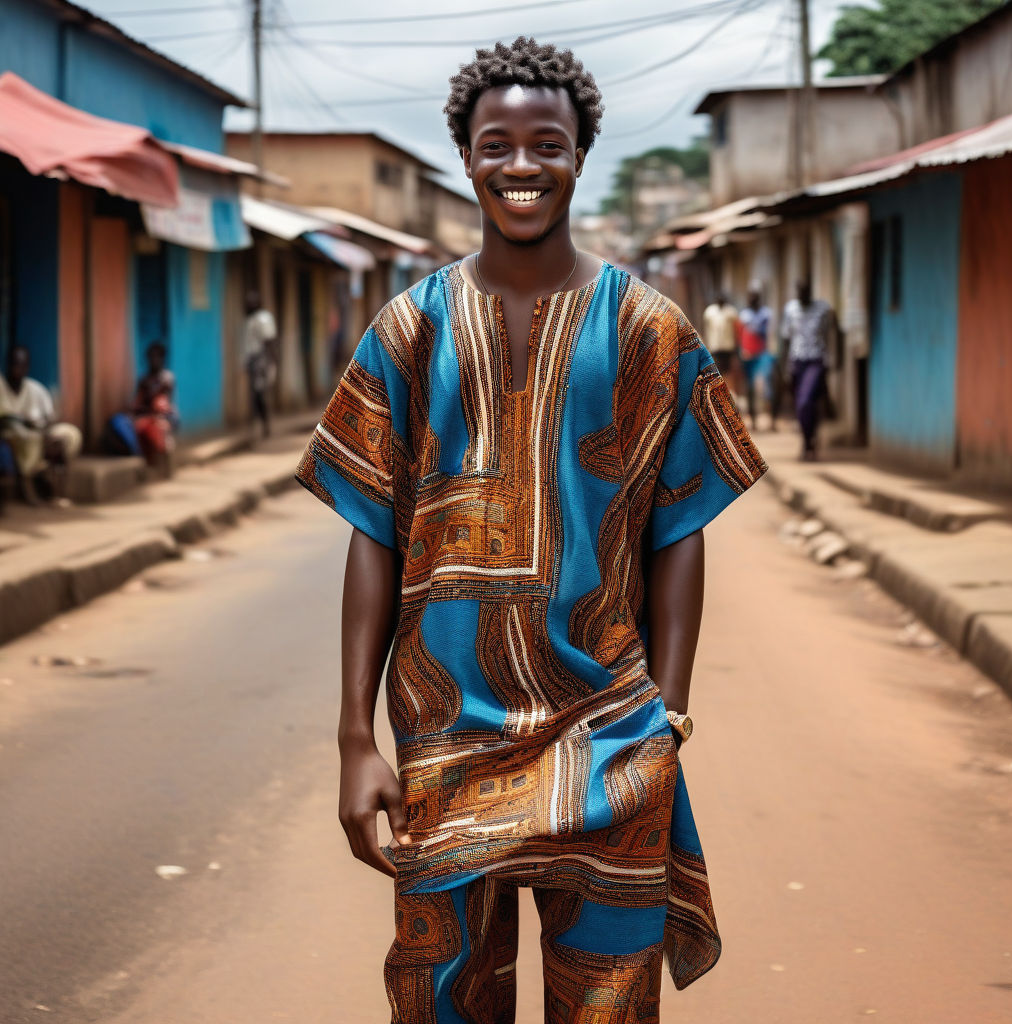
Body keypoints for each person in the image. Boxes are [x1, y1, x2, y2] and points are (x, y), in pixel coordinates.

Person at [295, 36, 767, 1022]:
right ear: (464, 157)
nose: (521, 165)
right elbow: (373, 535)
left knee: (608, 1000)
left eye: (545, 144)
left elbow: (680, 524)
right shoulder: (407, 329)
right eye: (496, 143)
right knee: (444, 1000)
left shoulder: (649, 328)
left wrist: (667, 715)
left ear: (579, 155)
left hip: (607, 737)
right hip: (442, 737)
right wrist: (354, 734)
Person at [0, 345, 82, 504]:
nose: (18, 369)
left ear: (27, 367)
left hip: (37, 435)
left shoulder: (35, 389)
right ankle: (28, 488)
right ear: (8, 364)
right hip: (12, 437)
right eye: (14, 364)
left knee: (64, 437)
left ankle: (56, 493)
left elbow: (49, 418)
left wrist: (42, 429)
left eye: (22, 365)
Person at [781, 281, 835, 460]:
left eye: (806, 291)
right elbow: (786, 338)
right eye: (800, 292)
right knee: (802, 404)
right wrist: (784, 367)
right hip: (797, 361)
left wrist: (836, 359)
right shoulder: (791, 310)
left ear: (810, 292)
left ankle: (810, 439)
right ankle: (807, 440)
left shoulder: (823, 309)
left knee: (806, 400)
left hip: (816, 360)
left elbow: (834, 332)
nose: (802, 295)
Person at [132, 341, 178, 473]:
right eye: (151, 357)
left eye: (157, 356)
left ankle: (165, 460)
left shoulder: (167, 379)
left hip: (166, 415)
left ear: (162, 358)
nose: (154, 360)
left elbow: (163, 402)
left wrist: (158, 410)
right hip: (147, 415)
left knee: (161, 425)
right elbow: (137, 403)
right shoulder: (144, 380)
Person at [736, 285, 775, 431]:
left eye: (755, 296)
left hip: (763, 355)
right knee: (750, 388)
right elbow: (740, 335)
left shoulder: (766, 314)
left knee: (766, 387)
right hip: (747, 356)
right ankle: (753, 421)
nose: (752, 299)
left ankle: (772, 420)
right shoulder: (744, 314)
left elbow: (768, 332)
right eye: (750, 296)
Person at [243, 291, 277, 439]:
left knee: (259, 393)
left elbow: (269, 340)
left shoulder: (262, 319)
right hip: (253, 360)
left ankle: (264, 425)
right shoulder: (250, 320)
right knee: (255, 394)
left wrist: (271, 361)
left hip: (260, 360)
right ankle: (258, 427)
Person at [701, 291, 738, 381]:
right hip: (715, 347)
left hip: (728, 347)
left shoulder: (731, 312)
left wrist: (737, 345)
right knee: (716, 371)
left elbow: (736, 328)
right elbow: (705, 328)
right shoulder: (709, 312)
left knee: (727, 371)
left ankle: (728, 390)